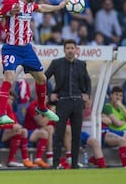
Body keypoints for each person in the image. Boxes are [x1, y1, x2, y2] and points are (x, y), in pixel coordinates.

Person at [0, 0, 67, 125]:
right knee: (9, 77)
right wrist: (9, 14)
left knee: (42, 79)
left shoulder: (29, 5)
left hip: (27, 49)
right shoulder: (10, 2)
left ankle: (41, 107)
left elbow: (42, 8)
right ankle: (2, 114)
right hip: (11, 48)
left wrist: (58, 7)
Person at [44, 39, 91, 169]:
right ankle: (55, 163)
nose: (70, 50)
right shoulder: (56, 63)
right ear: (64, 50)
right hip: (62, 102)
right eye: (68, 48)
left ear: (76, 50)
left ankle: (74, 164)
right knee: (59, 134)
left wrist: (87, 94)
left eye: (72, 48)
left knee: (76, 135)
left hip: (77, 102)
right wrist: (49, 94)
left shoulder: (82, 64)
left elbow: (88, 81)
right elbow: (43, 78)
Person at [0, 91, 36, 168]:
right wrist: (11, 125)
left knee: (22, 131)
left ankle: (17, 159)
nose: (6, 100)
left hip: (2, 133)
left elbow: (14, 122)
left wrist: (12, 126)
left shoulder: (7, 106)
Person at [23, 100, 55, 168]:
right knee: (45, 132)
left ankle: (47, 159)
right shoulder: (33, 106)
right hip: (29, 133)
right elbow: (41, 123)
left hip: (39, 132)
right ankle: (47, 158)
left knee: (50, 128)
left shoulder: (46, 107)